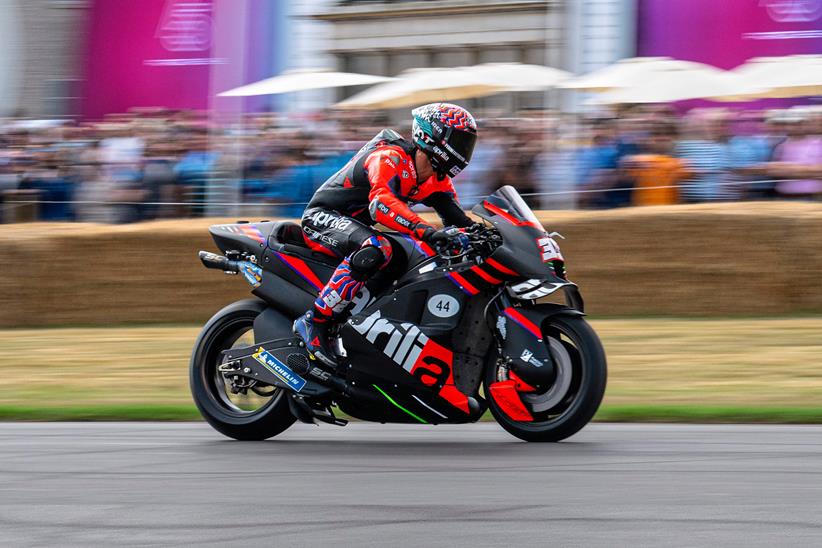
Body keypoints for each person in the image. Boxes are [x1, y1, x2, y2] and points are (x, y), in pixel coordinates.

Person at [293, 103, 478, 367]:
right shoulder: (389, 156)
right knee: (376, 247)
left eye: (468, 143)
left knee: (412, 253)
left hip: (352, 226)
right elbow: (381, 205)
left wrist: (487, 235)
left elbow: (458, 220)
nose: (465, 149)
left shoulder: (437, 179)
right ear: (433, 136)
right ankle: (314, 322)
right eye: (460, 140)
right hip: (321, 217)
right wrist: (426, 230)